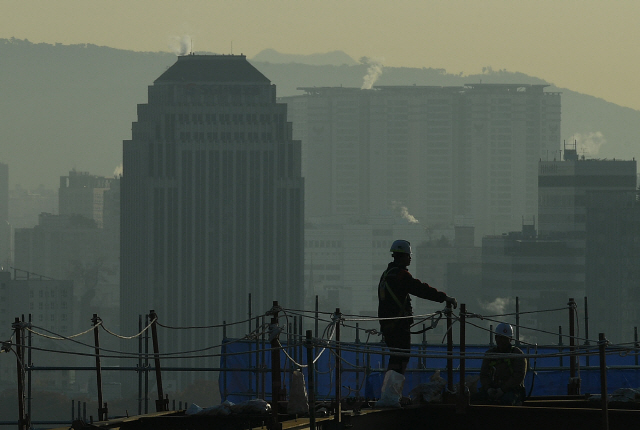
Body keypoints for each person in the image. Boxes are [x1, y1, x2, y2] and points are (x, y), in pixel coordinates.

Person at [378, 239, 458, 375]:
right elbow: (420, 289)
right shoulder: (400, 275)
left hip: (388, 324)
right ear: (403, 256)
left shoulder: (386, 275)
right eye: (409, 255)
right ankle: (392, 394)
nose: (410, 258)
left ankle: (391, 393)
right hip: (398, 325)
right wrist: (444, 297)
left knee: (396, 357)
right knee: (401, 359)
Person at [477, 322, 527, 405]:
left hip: (512, 391)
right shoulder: (490, 354)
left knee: (506, 402)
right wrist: (488, 388)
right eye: (499, 338)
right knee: (475, 399)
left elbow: (518, 376)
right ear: (496, 338)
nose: (501, 341)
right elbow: (484, 374)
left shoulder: (517, 354)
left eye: (504, 338)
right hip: (493, 389)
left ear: (510, 339)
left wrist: (503, 390)